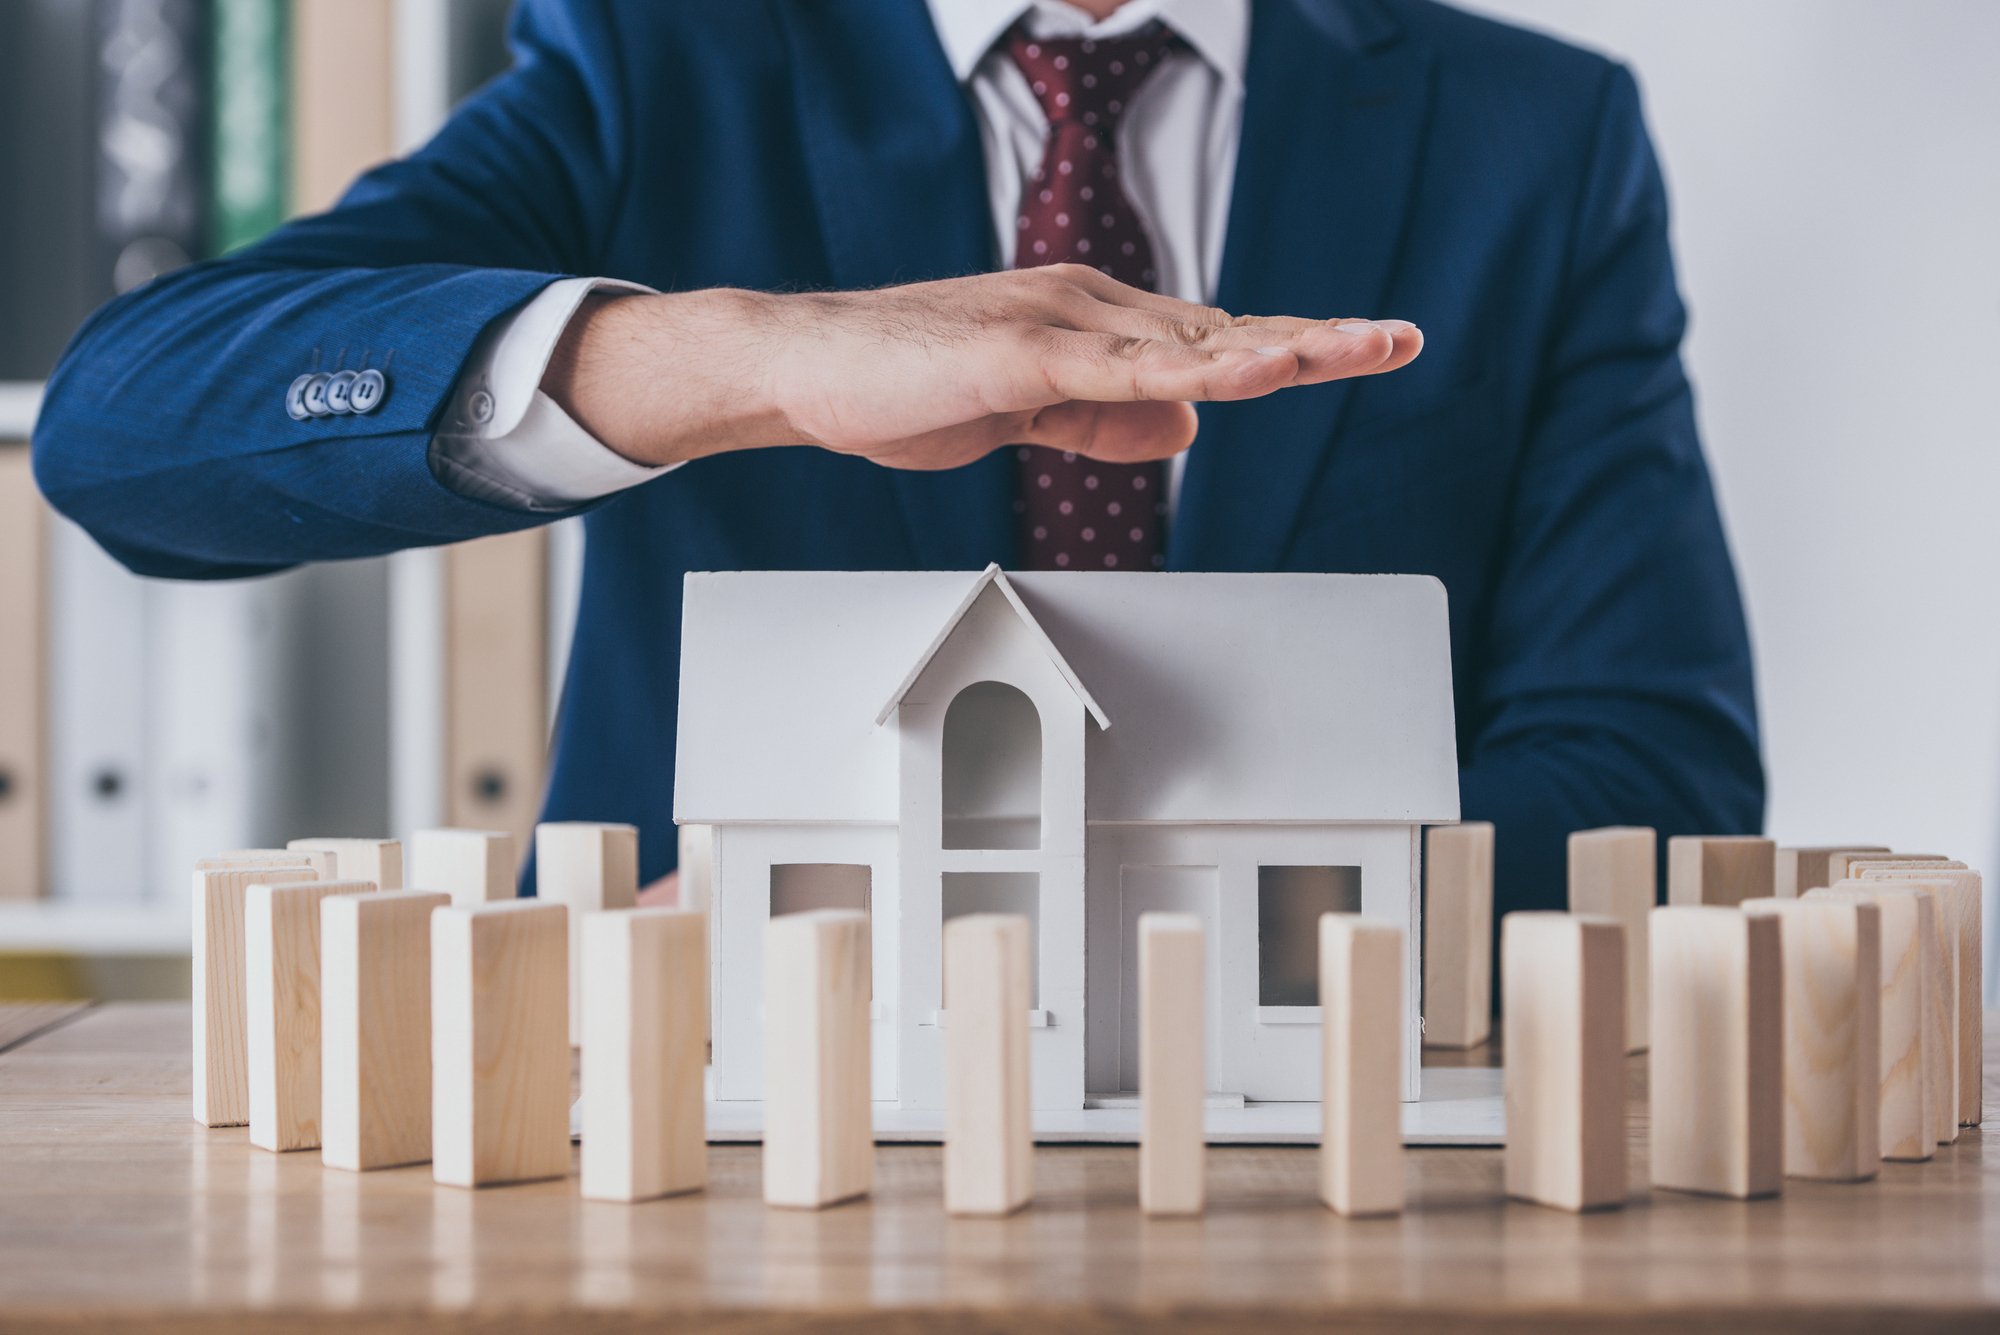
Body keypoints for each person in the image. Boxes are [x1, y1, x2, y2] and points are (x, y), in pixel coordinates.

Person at [32, 0, 1762, 913]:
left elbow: (1655, 779)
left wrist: (997, 909)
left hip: (1325, 1143)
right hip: (699, 1150)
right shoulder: (661, 53)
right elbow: (126, 433)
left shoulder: (1539, 133)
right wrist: (740, 354)